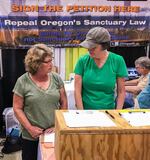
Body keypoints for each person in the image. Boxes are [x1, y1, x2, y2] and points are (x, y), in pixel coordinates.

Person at [13, 44, 68, 160]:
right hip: (31, 135)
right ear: (36, 64)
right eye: (47, 62)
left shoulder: (56, 78)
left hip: (52, 133)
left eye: (51, 60)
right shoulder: (22, 81)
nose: (51, 64)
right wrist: (30, 128)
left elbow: (64, 102)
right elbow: (17, 108)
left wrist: (57, 125)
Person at [74, 27, 128, 110]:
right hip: (86, 111)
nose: (89, 50)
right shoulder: (83, 61)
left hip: (108, 111)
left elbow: (121, 91)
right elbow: (77, 91)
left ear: (104, 46)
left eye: (93, 47)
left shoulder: (117, 60)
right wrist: (82, 113)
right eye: (88, 47)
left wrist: (117, 112)